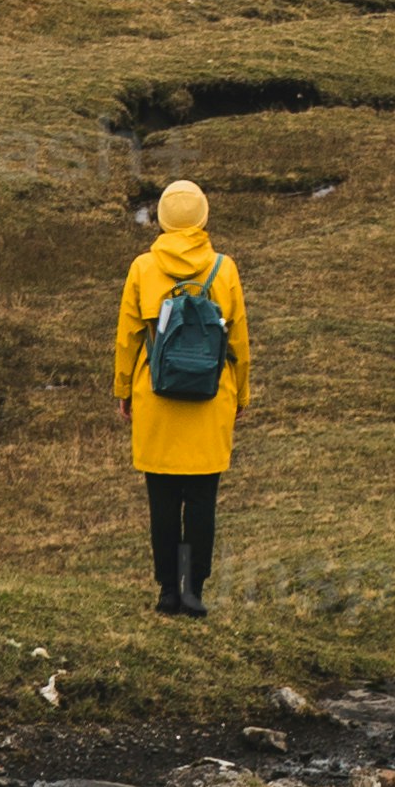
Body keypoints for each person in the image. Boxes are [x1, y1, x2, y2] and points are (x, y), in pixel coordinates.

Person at [113, 172, 253, 617]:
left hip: (156, 399)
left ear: (162, 220)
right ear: (203, 217)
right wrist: (242, 395)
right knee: (201, 505)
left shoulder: (143, 268)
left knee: (163, 502)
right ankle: (194, 593)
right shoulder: (224, 269)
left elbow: (127, 339)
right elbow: (239, 344)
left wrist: (123, 391)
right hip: (211, 401)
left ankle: (166, 593)